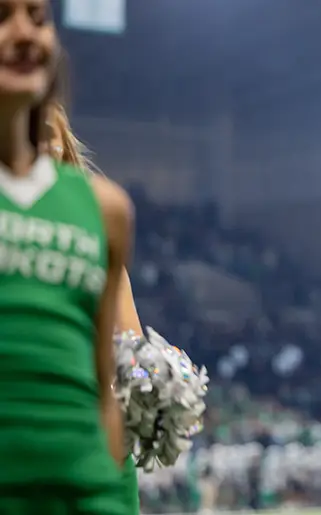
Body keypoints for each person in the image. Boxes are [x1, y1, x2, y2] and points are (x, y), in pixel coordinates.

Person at [0, 0, 132, 513]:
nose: (24, 33)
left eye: (38, 17)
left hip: (84, 492)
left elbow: (105, 385)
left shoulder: (107, 210)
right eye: (2, 17)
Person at [46, 101, 143, 515]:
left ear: (65, 148)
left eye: (48, 135)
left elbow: (131, 346)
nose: (39, 146)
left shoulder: (99, 227)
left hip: (92, 435)